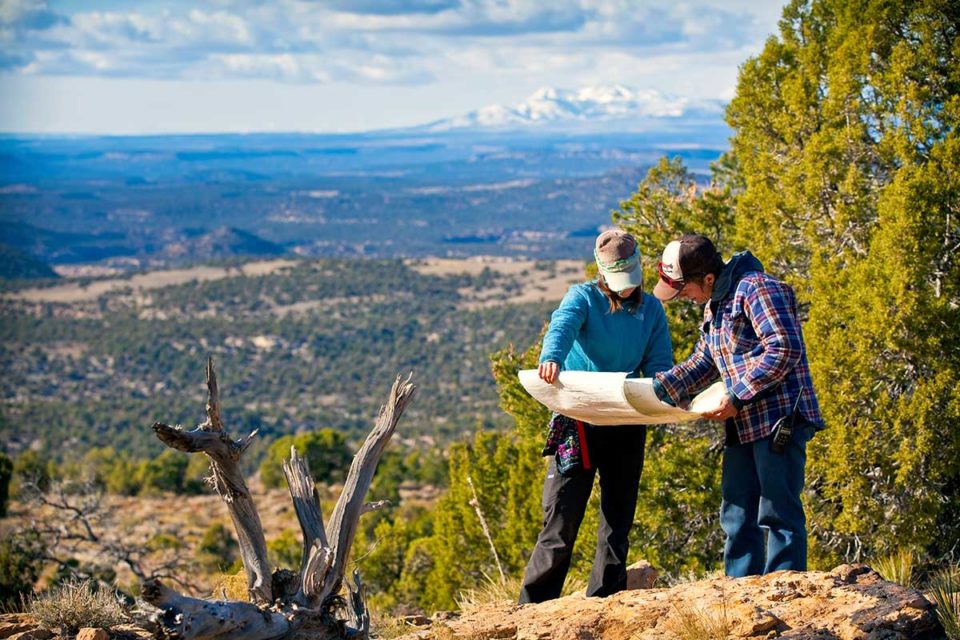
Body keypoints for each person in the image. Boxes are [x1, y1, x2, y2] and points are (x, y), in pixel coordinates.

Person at [650, 233, 824, 577]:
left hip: (779, 419)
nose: (683, 297)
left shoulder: (757, 289)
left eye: (684, 288)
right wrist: (657, 389)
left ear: (709, 278)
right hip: (743, 422)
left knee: (778, 513)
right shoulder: (715, 303)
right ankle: (741, 594)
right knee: (736, 512)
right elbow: (705, 361)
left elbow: (784, 348)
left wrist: (738, 394)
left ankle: (785, 596)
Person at [518, 229, 673, 604]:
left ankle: (605, 601)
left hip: (625, 418)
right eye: (617, 282)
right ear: (602, 273)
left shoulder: (650, 309)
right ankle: (534, 606)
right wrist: (550, 357)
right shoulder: (583, 297)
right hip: (579, 419)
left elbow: (658, 363)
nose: (624, 289)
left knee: (618, 520)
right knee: (561, 520)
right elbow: (563, 325)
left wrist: (663, 393)